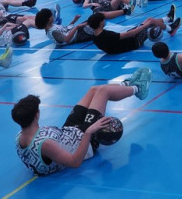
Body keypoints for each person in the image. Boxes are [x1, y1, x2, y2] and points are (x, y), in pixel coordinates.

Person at [12, 69, 152, 175]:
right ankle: (138, 89)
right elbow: (75, 162)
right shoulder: (45, 144)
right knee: (103, 92)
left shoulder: (21, 136)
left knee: (93, 90)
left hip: (68, 132)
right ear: (37, 115)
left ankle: (127, 84)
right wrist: (89, 132)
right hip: (84, 139)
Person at [88, 7, 181, 55]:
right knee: (151, 23)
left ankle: (168, 19)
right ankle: (170, 29)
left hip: (124, 42)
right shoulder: (107, 35)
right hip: (134, 42)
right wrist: (146, 25)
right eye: (103, 20)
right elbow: (131, 34)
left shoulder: (94, 35)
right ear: (100, 23)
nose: (104, 21)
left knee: (148, 20)